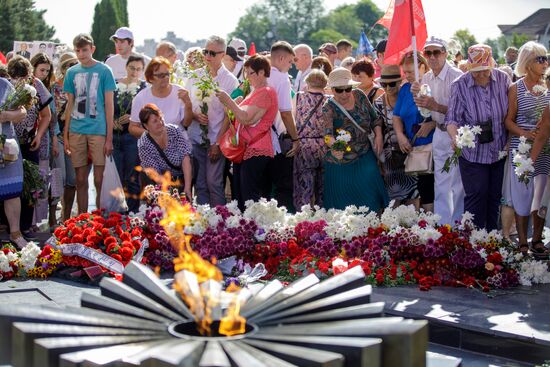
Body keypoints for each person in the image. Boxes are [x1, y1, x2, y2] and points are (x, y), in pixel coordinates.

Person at [447, 44, 510, 231]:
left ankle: (493, 241)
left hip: (499, 150)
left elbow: (511, 113)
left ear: (491, 66)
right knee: (476, 194)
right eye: (476, 71)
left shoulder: (503, 79)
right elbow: (452, 118)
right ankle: (473, 244)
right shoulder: (459, 85)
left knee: (494, 197)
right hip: (472, 153)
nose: (481, 75)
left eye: (484, 70)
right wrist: (454, 136)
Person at [504, 41, 550, 255]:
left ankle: (538, 239)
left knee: (541, 195)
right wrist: (524, 133)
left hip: (545, 147)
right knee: (522, 194)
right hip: (521, 148)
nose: (545, 63)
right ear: (527, 63)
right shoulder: (516, 88)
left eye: (546, 58)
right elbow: (508, 121)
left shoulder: (548, 86)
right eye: (540, 59)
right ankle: (522, 240)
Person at [63, 33, 116, 214]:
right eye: (77, 50)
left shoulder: (104, 71)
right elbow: (69, 105)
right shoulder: (71, 73)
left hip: (98, 130)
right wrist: (66, 135)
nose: (81, 54)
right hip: (76, 130)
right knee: (80, 178)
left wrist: (109, 138)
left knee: (99, 179)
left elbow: (109, 106)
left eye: (84, 50)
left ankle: (99, 217)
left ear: (92, 49)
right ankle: (83, 218)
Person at [412, 36, 464, 224]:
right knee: (440, 183)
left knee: (458, 184)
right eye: (428, 53)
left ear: (445, 53)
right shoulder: (426, 77)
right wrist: (419, 98)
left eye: (436, 52)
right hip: (440, 133)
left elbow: (464, 112)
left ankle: (459, 226)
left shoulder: (457, 76)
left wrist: (435, 105)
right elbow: (426, 110)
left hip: (457, 134)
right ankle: (444, 227)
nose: (432, 57)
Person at [217, 54, 278, 208]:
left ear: (262, 72)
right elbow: (241, 115)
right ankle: (244, 228)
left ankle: (254, 229)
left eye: (250, 73)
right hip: (245, 148)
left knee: (249, 197)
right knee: (240, 195)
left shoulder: (266, 91)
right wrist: (235, 105)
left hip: (256, 149)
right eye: (245, 73)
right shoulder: (256, 91)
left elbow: (246, 118)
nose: (247, 77)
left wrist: (230, 102)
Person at [322, 67, 388, 211]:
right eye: (340, 90)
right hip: (341, 161)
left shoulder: (359, 95)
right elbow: (328, 136)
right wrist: (335, 147)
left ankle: (374, 230)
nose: (345, 93)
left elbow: (375, 118)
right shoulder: (328, 108)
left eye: (348, 88)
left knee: (371, 197)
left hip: (365, 153)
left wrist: (378, 135)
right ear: (332, 90)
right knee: (343, 206)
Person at [187, 36, 239, 206]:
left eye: (212, 53)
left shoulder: (230, 80)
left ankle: (219, 223)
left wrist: (217, 142)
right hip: (195, 136)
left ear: (222, 54)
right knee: (200, 184)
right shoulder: (195, 76)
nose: (207, 56)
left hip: (216, 138)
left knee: (214, 183)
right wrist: (195, 115)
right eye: (205, 52)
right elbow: (187, 104)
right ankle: (202, 223)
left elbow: (229, 115)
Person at [8, 56, 52, 239]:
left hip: (28, 142)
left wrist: (39, 135)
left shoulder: (37, 85)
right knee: (8, 186)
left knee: (30, 185)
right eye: (15, 78)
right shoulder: (5, 85)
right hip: (8, 144)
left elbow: (46, 115)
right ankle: (8, 226)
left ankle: (25, 226)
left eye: (24, 78)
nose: (19, 83)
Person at [393, 52, 434, 212]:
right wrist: (400, 135)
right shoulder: (405, 89)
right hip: (414, 147)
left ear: (422, 67)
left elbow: (445, 112)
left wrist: (431, 124)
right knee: (424, 188)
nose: (407, 75)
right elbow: (397, 115)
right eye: (405, 72)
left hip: (433, 144)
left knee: (432, 187)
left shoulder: (432, 86)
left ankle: (439, 226)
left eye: (410, 71)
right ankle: (430, 224)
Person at [374, 65, 419, 206]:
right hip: (391, 155)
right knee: (394, 193)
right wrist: (379, 135)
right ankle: (394, 225)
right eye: (383, 84)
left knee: (414, 191)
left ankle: (416, 225)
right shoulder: (379, 102)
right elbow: (376, 124)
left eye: (392, 84)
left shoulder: (409, 97)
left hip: (410, 149)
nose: (387, 88)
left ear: (400, 82)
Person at [267, 41, 300, 210]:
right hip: (277, 140)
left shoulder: (257, 75)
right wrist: (295, 138)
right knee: (283, 186)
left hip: (256, 139)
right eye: (290, 62)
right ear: (280, 58)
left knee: (262, 188)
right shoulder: (282, 79)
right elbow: (286, 113)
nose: (291, 66)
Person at [113, 55, 147, 213]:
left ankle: (132, 212)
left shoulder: (144, 88)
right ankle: (117, 213)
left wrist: (134, 117)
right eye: (132, 68)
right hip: (115, 136)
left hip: (133, 137)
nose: (135, 71)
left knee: (131, 177)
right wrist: (112, 121)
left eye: (139, 69)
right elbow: (106, 107)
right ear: (126, 67)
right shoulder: (115, 85)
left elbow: (148, 112)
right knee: (116, 177)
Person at [129, 57, 193, 139]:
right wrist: (153, 134)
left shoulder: (179, 92)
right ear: (150, 78)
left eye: (167, 74)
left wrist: (188, 104)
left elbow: (186, 124)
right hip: (152, 145)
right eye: (161, 75)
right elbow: (133, 127)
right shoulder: (141, 97)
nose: (166, 78)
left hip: (178, 144)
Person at [137, 104, 192, 199]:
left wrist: (187, 187)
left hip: (181, 175)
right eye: (155, 121)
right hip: (159, 181)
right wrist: (171, 195)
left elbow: (185, 157)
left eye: (160, 119)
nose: (160, 123)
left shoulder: (174, 130)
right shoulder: (144, 144)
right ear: (146, 126)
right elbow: (155, 174)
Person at [292, 69, 328, 209]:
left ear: (307, 83)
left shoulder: (299, 97)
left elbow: (292, 119)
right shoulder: (329, 100)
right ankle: (322, 215)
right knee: (323, 186)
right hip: (324, 145)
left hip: (304, 144)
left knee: (303, 184)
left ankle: (303, 214)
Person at [0, 77, 29, 248]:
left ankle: (15, 234)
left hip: (7, 148)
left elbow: (22, 112)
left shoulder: (4, 84)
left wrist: (6, 115)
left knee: (12, 191)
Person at [31, 52, 58, 229]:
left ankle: (39, 220)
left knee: (44, 179)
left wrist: (54, 139)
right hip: (29, 137)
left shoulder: (50, 89)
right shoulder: (29, 88)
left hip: (46, 138)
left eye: (47, 71)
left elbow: (52, 118)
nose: (44, 74)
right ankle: (29, 220)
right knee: (32, 179)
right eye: (41, 70)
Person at [52, 52, 79, 221]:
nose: (72, 68)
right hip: (59, 136)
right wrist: (54, 138)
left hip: (75, 137)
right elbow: (51, 115)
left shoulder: (82, 88)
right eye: (69, 65)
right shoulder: (54, 87)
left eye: (75, 64)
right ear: (63, 68)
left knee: (72, 180)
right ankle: (52, 217)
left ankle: (66, 217)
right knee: (59, 177)